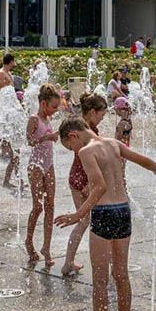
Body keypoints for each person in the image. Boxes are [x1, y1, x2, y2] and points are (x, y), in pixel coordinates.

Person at [54, 117, 156, 311]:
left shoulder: (86, 151)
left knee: (101, 280)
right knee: (121, 275)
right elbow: (144, 161)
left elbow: (99, 187)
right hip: (123, 211)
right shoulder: (114, 143)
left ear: (72, 135)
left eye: (69, 147)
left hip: (104, 214)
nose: (73, 152)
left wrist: (77, 214)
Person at [60, 93, 109, 277]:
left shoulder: (77, 126)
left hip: (75, 177)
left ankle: (68, 262)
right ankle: (103, 263)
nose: (101, 120)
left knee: (82, 221)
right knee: (97, 223)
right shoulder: (90, 132)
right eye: (101, 116)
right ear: (92, 112)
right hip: (87, 179)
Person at [25, 84, 62, 265]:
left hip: (49, 165)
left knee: (50, 206)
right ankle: (29, 242)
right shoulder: (34, 119)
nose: (56, 111)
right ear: (44, 103)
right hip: (35, 166)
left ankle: (46, 247)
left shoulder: (47, 119)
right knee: (37, 207)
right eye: (54, 107)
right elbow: (30, 141)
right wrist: (47, 137)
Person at [0, 53, 21, 189]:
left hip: (12, 114)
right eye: (14, 61)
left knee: (16, 154)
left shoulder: (8, 73)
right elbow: (1, 91)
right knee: (15, 154)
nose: (15, 63)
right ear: (10, 61)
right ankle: (13, 181)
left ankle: (13, 180)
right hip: (6, 117)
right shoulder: (1, 73)